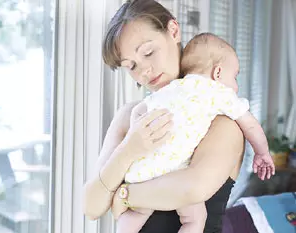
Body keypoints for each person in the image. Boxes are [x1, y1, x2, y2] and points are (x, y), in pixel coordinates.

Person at [83, 0, 269, 232]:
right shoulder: (129, 116)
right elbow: (91, 206)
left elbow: (194, 187)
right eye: (131, 66)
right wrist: (129, 149)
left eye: (148, 53)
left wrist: (124, 194)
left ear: (173, 31)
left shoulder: (221, 119)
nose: (144, 71)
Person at [115, 32, 275, 233]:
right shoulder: (220, 93)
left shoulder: (169, 88)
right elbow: (250, 125)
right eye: (235, 76)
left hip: (141, 168)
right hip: (172, 173)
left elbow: (139, 111)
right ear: (217, 73)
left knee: (137, 213)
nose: (235, 86)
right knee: (195, 219)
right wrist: (262, 152)